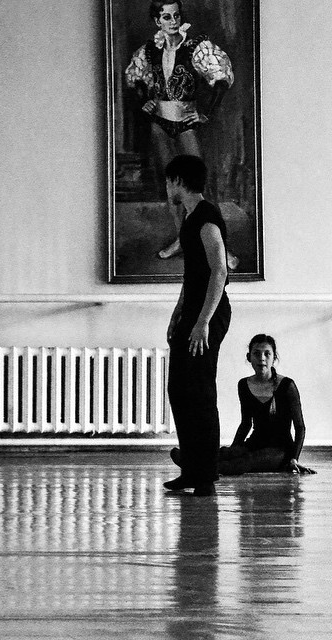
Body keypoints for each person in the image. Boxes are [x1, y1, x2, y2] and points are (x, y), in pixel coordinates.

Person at [125, 1, 237, 268]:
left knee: (201, 187)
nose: (173, 21)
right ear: (158, 21)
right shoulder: (149, 50)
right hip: (159, 125)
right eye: (167, 16)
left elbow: (222, 79)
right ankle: (183, 239)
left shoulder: (196, 47)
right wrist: (145, 100)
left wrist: (205, 112)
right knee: (172, 187)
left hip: (186, 124)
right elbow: (136, 78)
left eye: (176, 15)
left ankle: (220, 247)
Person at [163, 154, 230, 496]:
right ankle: (192, 467)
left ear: (178, 181)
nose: (167, 187)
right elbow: (194, 274)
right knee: (179, 389)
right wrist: (178, 311)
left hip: (209, 312)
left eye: (168, 181)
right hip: (193, 310)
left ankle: (205, 475)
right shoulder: (191, 217)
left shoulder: (206, 218)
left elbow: (220, 271)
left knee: (200, 392)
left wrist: (203, 321)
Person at [196, 334, 314, 475]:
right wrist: (232, 451)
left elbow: (300, 427)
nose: (262, 358)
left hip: (280, 450)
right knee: (225, 453)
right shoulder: (243, 384)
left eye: (267, 354)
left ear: (274, 358)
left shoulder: (287, 385)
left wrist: (294, 458)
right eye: (257, 354)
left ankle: (195, 468)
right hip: (255, 443)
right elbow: (246, 424)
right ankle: (190, 460)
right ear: (249, 357)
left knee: (244, 462)